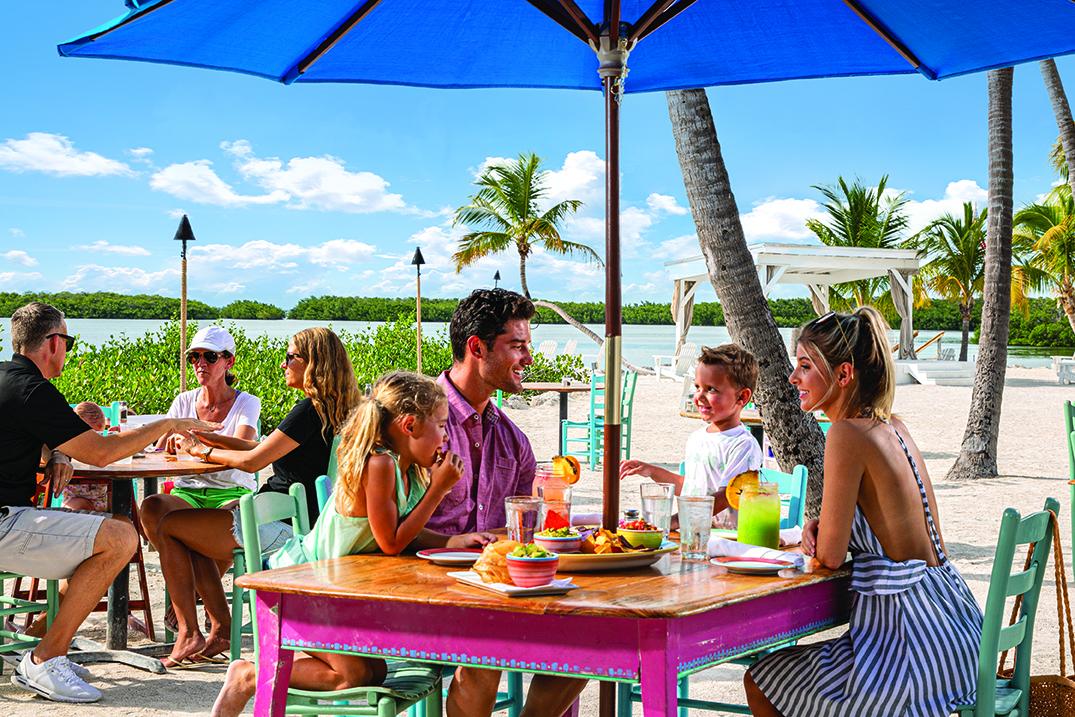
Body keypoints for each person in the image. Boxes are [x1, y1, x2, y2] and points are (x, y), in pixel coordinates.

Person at [211, 371, 493, 717]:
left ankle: (281, 664)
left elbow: (403, 529)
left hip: (341, 588)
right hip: (308, 586)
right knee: (354, 676)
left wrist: (454, 539)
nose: (446, 437)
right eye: (441, 425)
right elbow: (391, 543)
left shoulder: (406, 469)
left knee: (375, 672)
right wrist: (438, 491)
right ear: (409, 426)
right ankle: (249, 675)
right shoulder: (379, 464)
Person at [745, 308, 983, 717]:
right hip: (955, 630)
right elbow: (922, 534)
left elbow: (831, 558)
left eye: (805, 366)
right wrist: (832, 528)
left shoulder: (845, 433)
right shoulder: (894, 425)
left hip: (909, 642)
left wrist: (820, 538)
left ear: (842, 375)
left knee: (762, 680)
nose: (793, 378)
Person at [0, 301, 218, 703]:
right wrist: (167, 423)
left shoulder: (7, 380)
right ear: (52, 343)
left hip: (13, 518)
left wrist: (60, 455)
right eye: (67, 340)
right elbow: (102, 453)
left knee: (98, 540)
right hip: (6, 524)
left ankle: (52, 648)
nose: (67, 350)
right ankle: (44, 658)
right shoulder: (34, 391)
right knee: (120, 537)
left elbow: (37, 439)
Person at [153, 327, 361, 667]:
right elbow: (259, 447)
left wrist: (201, 452)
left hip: (279, 530)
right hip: (294, 519)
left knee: (169, 526)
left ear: (313, 364)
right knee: (192, 529)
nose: (283, 364)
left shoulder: (308, 410)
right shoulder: (333, 408)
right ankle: (218, 627)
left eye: (290, 357)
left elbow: (253, 461)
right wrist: (213, 439)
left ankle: (193, 630)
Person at [427, 288, 587, 717]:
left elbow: (527, 535)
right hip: (421, 594)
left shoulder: (514, 440)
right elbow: (376, 525)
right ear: (476, 347)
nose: (528, 359)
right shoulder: (416, 423)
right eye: (517, 346)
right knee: (487, 645)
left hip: (493, 592)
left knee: (588, 639)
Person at [139, 326, 261, 553]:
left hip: (231, 492)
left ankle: (191, 585)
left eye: (210, 356)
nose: (200, 363)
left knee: (214, 533)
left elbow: (242, 449)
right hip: (188, 492)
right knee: (151, 507)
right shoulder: (183, 401)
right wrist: (174, 446)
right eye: (194, 356)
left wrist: (194, 443)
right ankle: (191, 581)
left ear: (229, 362)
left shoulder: (247, 403)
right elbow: (161, 451)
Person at [619, 344, 762, 522]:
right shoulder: (697, 438)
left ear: (742, 397)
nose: (699, 396)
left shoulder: (743, 445)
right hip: (693, 533)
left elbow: (726, 496)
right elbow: (689, 487)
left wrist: (677, 520)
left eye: (711, 389)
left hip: (727, 538)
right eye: (697, 387)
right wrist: (651, 471)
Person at [61, 402, 114, 512]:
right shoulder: (68, 442)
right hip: (75, 499)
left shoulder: (104, 445)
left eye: (98, 433)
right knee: (77, 508)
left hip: (103, 499)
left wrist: (115, 440)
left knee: (122, 496)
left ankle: (138, 528)